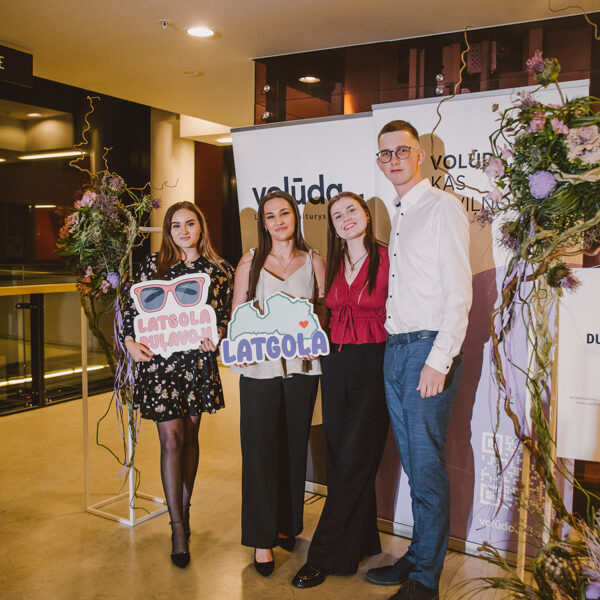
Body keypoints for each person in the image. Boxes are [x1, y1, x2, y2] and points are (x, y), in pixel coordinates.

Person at [366, 120, 472, 600]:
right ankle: (418, 554)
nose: (393, 160)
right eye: (385, 153)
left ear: (420, 156)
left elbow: (459, 293)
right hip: (397, 348)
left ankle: (426, 579)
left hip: (426, 349)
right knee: (413, 464)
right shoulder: (402, 212)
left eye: (401, 151)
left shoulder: (441, 208)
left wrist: (438, 359)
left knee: (426, 467)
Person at [121, 201, 233, 569]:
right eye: (175, 225)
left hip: (196, 364)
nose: (183, 231)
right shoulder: (153, 266)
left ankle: (183, 507)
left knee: (190, 440)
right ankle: (178, 528)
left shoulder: (219, 270)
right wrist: (129, 342)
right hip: (159, 365)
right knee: (171, 440)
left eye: (190, 224)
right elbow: (130, 310)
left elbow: (226, 315)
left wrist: (218, 333)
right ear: (168, 231)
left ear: (202, 226)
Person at [291, 192, 390, 588]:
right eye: (337, 215)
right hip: (334, 361)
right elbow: (319, 310)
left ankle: (326, 554)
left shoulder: (387, 258)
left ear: (366, 214)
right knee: (339, 454)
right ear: (332, 226)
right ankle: (362, 541)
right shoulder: (329, 263)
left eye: (352, 210)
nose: (345, 218)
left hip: (374, 362)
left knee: (353, 457)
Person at [231, 190, 325, 577]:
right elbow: (238, 313)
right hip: (259, 370)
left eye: (284, 213)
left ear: (295, 217)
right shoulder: (250, 262)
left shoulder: (314, 261)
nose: (278, 221)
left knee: (293, 446)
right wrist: (239, 344)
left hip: (302, 368)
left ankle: (287, 523)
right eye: (270, 216)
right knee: (259, 450)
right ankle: (260, 539)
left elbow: (324, 309)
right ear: (263, 224)